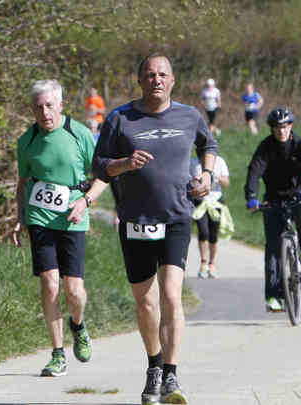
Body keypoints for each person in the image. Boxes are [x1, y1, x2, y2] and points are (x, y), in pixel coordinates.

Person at [93, 53, 218, 405]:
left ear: (173, 80)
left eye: (163, 74)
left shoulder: (189, 116)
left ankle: (171, 375)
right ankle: (154, 366)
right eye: (149, 75)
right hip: (135, 221)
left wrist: (207, 175)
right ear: (140, 81)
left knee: (171, 295)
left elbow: (208, 144)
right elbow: (99, 165)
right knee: (146, 304)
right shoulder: (120, 119)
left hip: (176, 216)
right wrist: (124, 163)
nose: (156, 80)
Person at [12, 79, 108, 377]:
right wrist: (20, 216)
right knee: (50, 283)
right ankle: (57, 354)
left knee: (74, 290)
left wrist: (86, 201)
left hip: (72, 218)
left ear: (61, 105)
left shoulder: (79, 134)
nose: (44, 113)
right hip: (40, 217)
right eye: (38, 107)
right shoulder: (26, 141)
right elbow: (23, 183)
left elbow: (103, 176)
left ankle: (77, 325)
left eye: (49, 106)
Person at [244, 107, 301, 313]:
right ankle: (274, 296)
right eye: (277, 127)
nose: (281, 131)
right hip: (274, 196)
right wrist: (252, 197)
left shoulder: (299, 144)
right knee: (273, 248)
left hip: (299, 190)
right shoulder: (266, 147)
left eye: (284, 126)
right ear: (271, 129)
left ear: (290, 126)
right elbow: (254, 171)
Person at [189, 151, 231, 279]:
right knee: (203, 232)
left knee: (213, 234)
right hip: (200, 202)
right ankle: (203, 263)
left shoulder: (220, 161)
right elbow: (188, 182)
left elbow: (226, 182)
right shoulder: (193, 162)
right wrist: (195, 182)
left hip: (216, 201)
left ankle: (212, 264)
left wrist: (216, 178)